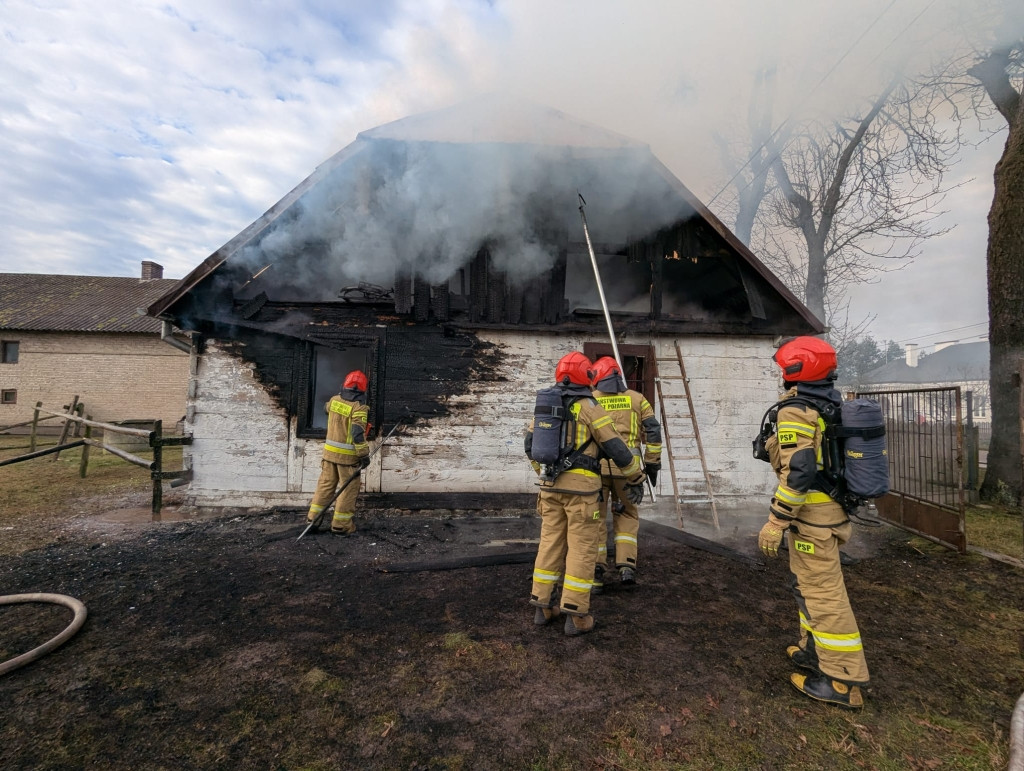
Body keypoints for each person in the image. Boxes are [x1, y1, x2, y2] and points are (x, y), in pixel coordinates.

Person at [757, 336, 869, 709]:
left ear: (795, 370)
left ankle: (842, 680)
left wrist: (776, 520)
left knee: (823, 594)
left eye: (782, 370)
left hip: (813, 517)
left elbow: (800, 472)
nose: (780, 376)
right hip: (829, 513)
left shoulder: (797, 410)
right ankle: (812, 652)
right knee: (806, 585)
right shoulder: (831, 404)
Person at [525, 352, 647, 636]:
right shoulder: (589, 406)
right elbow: (616, 447)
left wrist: (543, 475)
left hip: (550, 489)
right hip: (582, 494)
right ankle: (576, 615)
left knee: (549, 545)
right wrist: (635, 476)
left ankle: (542, 607)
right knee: (581, 550)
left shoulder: (545, 404)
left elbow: (530, 446)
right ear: (586, 376)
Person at [590, 356, 662, 588]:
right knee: (627, 516)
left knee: (595, 518)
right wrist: (652, 465)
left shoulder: (590, 400)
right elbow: (653, 432)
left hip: (596, 472)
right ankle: (626, 566)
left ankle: (596, 569)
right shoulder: (638, 399)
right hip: (629, 472)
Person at [306, 370, 371, 535]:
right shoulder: (360, 408)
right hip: (348, 459)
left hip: (329, 455)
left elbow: (325, 408)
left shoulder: (334, 401)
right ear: (363, 390)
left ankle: (313, 519)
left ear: (344, 385)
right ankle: (341, 526)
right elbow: (357, 434)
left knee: (325, 485)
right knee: (348, 489)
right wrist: (364, 455)